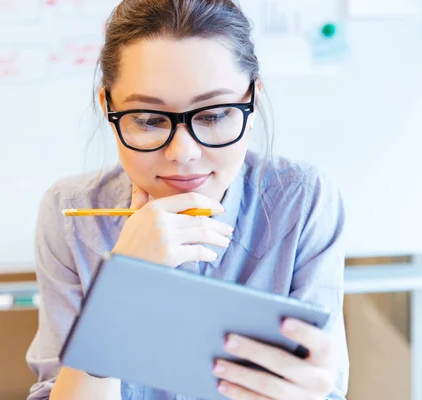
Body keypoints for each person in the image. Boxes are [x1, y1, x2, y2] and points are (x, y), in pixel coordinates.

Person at [26, 0, 349, 398]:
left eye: (214, 115)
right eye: (148, 119)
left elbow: (324, 388)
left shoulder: (302, 203)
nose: (183, 152)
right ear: (108, 107)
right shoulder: (71, 216)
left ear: (253, 98)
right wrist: (120, 291)